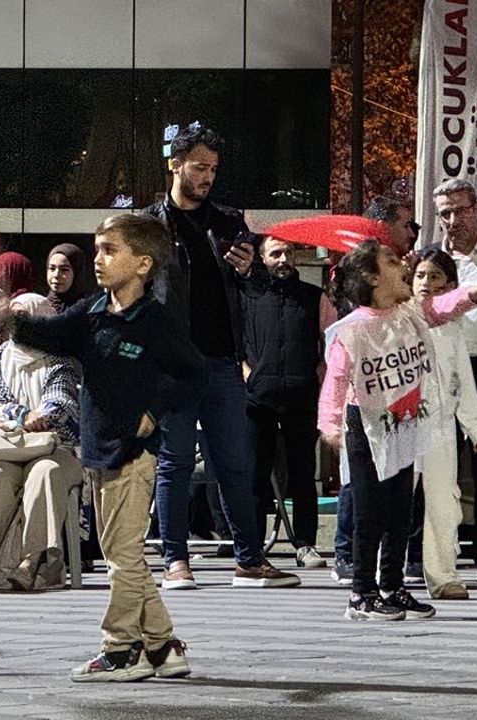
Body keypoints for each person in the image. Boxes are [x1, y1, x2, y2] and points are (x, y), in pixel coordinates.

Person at [8, 212, 202, 682]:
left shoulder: (154, 320)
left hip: (134, 454)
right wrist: (9, 315)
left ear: (142, 264)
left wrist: (154, 412)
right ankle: (162, 646)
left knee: (121, 554)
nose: (97, 259)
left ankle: (120, 650)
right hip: (97, 449)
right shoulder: (93, 312)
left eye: (109, 250)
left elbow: (193, 374)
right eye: (97, 249)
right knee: (125, 553)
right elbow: (48, 336)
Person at [141, 125, 299, 590]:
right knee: (175, 463)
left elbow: (254, 290)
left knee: (234, 461)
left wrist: (249, 270)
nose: (208, 176)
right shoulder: (150, 225)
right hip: (174, 363)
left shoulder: (230, 221)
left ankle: (249, 560)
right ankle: (175, 561)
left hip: (223, 360)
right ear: (175, 163)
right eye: (199, 167)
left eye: (213, 168)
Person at [319, 240, 477, 620]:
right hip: (367, 427)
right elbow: (336, 382)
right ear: (373, 278)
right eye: (392, 262)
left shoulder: (410, 314)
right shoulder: (352, 330)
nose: (404, 264)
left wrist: (473, 293)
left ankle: (392, 585)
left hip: (405, 421)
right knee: (370, 512)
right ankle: (362, 592)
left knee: (400, 510)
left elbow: (445, 306)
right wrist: (329, 425)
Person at [0, 292, 82, 592]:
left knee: (46, 473)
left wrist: (29, 416)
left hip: (54, 447)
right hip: (9, 446)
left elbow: (62, 400)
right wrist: (23, 416)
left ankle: (34, 561)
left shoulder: (60, 357)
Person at [240, 237, 325, 568]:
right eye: (275, 253)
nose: (283, 259)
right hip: (258, 398)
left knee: (303, 473)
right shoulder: (248, 295)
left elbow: (328, 342)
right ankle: (254, 546)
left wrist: (318, 374)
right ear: (263, 258)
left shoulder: (313, 297)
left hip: (302, 397)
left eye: (289, 253)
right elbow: (237, 344)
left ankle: (305, 544)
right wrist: (247, 374)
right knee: (255, 474)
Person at [409, 250, 477, 600]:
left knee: (443, 499)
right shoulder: (399, 321)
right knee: (393, 500)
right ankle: (384, 570)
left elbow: (463, 382)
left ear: (451, 285)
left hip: (439, 426)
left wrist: (476, 429)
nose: (425, 283)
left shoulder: (453, 331)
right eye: (419, 275)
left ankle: (443, 575)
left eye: (434, 276)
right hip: (401, 425)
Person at [429, 179, 477, 578]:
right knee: (441, 464)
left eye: (459, 210)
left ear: (476, 208)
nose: (452, 220)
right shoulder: (430, 264)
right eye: (444, 213)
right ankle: (438, 556)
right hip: (442, 370)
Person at [46, 243, 95, 313]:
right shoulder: (37, 306)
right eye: (52, 268)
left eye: (64, 270)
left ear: (77, 273)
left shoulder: (90, 311)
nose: (56, 275)